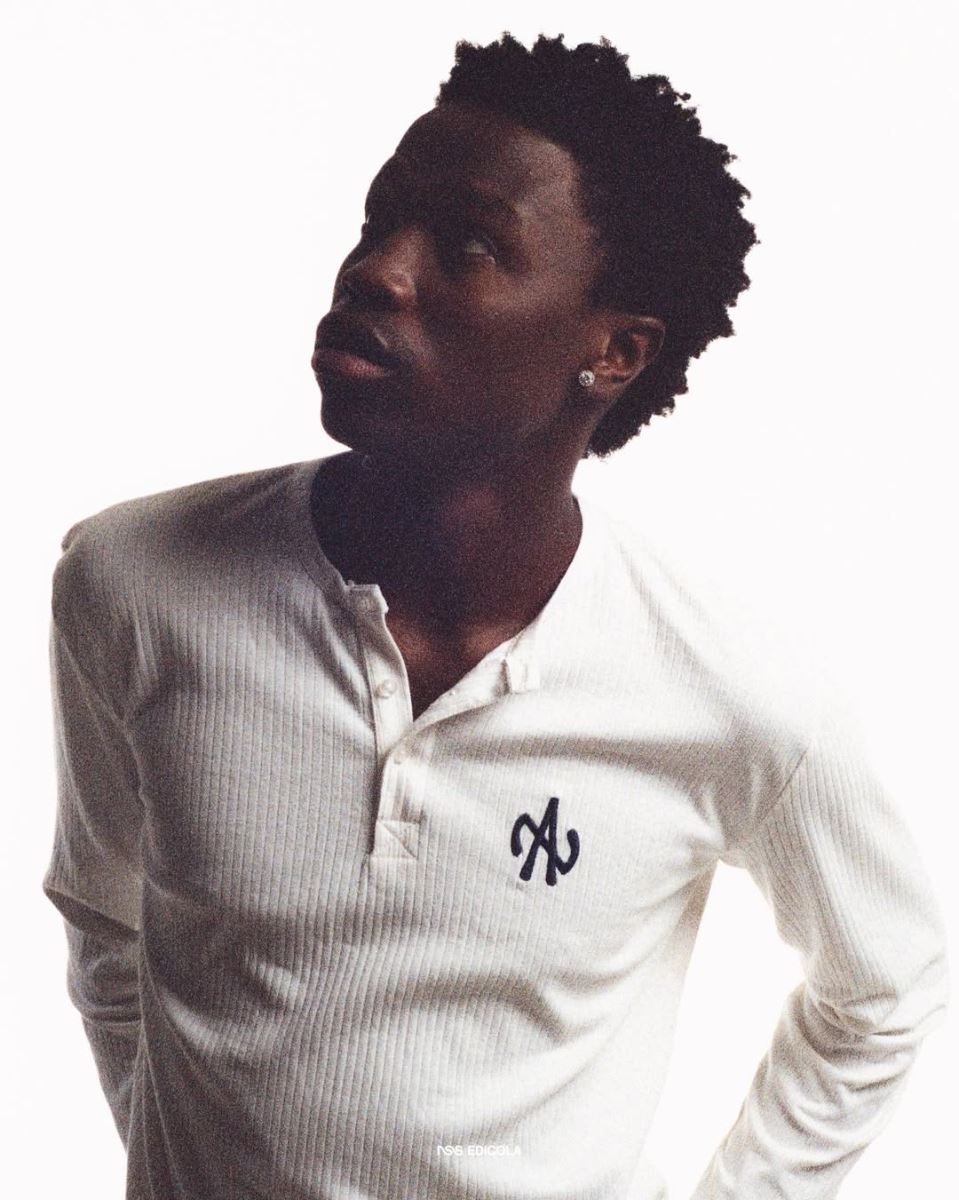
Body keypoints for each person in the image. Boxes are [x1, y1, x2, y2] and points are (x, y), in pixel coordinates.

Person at [43, 30, 947, 1200]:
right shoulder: (135, 579)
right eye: (379, 220)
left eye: (467, 244)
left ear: (612, 352)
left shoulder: (730, 689)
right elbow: (106, 921)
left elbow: (883, 984)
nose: (376, 270)